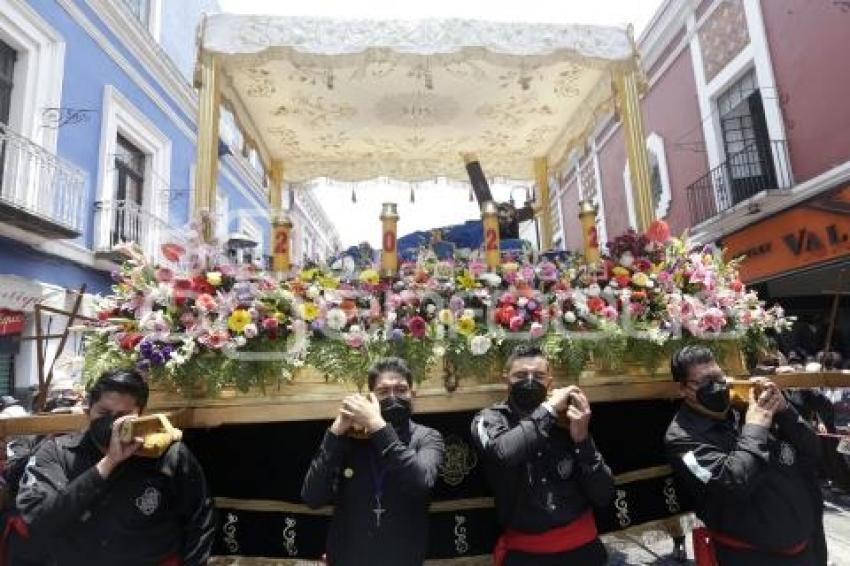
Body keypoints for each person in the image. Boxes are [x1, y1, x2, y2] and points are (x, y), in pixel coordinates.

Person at [16, 368, 215, 566]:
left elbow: (200, 518)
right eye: (104, 413)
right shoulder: (56, 454)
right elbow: (41, 519)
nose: (113, 423)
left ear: (140, 414)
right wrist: (107, 464)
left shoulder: (169, 455)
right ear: (88, 410)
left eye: (123, 416)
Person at [664, 346, 825, 565]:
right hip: (751, 556)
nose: (717, 386)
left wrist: (785, 411)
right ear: (682, 389)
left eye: (719, 376)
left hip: (806, 549)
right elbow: (732, 483)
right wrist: (755, 428)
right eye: (704, 382)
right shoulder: (681, 438)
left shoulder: (749, 404)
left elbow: (813, 451)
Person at [471, 344, 614, 566]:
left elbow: (604, 494)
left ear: (550, 382)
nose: (530, 381)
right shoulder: (489, 420)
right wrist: (547, 411)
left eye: (538, 376)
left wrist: (582, 440)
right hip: (526, 555)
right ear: (505, 379)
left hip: (583, 550)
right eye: (520, 375)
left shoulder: (569, 419)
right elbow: (504, 453)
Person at [301, 357, 444, 566]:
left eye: (401, 389)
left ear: (413, 395)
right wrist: (336, 432)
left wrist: (377, 425)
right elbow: (313, 497)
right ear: (371, 399)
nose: (393, 397)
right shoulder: (351, 439)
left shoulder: (427, 437)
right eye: (383, 392)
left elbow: (420, 482)